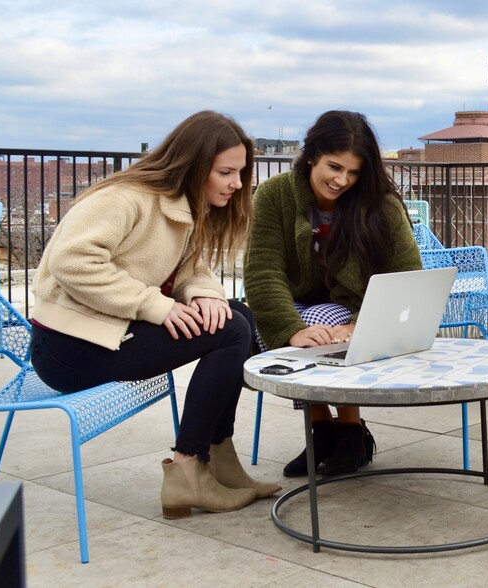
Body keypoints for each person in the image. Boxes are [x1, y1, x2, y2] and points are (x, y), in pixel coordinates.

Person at [30, 110, 281, 519]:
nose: (237, 183)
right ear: (195, 165)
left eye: (241, 172)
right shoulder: (126, 198)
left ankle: (220, 459)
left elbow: (190, 269)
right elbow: (71, 260)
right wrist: (154, 305)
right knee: (232, 331)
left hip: (111, 332)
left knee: (236, 314)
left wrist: (204, 295)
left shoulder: (183, 204)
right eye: (226, 172)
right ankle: (187, 469)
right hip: (68, 348)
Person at [244, 110, 422, 478]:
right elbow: (263, 269)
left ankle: (347, 431)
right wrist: (288, 328)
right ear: (312, 155)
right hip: (294, 301)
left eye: (354, 172)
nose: (342, 180)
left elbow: (407, 273)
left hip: (353, 307)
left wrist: (365, 323)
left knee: (320, 323)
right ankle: (326, 428)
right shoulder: (275, 195)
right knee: (267, 326)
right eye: (334, 167)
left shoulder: (381, 204)